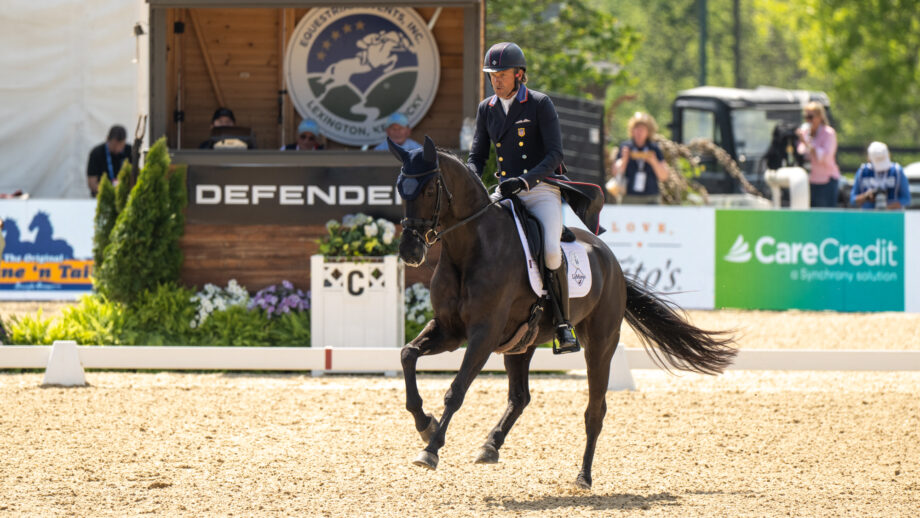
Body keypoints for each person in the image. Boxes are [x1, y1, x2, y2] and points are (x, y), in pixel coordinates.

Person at [467, 42, 604, 354]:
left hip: (540, 189)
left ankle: (562, 325)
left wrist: (526, 180)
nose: (496, 80)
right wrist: (470, 179)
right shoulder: (486, 109)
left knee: (552, 251)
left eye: (501, 74)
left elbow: (555, 153)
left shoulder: (540, 104)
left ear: (519, 74)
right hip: (505, 190)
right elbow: (477, 155)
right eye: (492, 75)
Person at [610, 112, 669, 204]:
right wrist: (624, 160)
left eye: (642, 129)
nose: (639, 132)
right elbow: (615, 172)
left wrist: (653, 161)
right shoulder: (626, 147)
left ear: (648, 132)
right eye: (636, 129)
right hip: (629, 197)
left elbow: (664, 176)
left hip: (651, 197)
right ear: (632, 130)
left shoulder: (654, 148)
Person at [796, 101, 841, 207]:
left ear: (820, 117)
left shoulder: (829, 133)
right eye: (805, 116)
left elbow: (826, 157)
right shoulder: (806, 133)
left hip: (826, 181)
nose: (808, 120)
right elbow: (801, 152)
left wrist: (807, 144)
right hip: (810, 181)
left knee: (826, 216)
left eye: (810, 116)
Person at [849, 141, 910, 210]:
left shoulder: (897, 171)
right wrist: (865, 196)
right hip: (868, 215)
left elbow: (906, 199)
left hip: (892, 216)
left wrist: (886, 208)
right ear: (869, 159)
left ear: (889, 155)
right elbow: (852, 200)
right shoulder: (862, 172)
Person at [86, 125, 132, 196]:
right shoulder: (96, 153)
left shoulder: (130, 151)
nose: (117, 149)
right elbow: (92, 183)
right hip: (101, 196)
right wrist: (109, 192)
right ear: (107, 139)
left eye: (121, 146)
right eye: (114, 145)